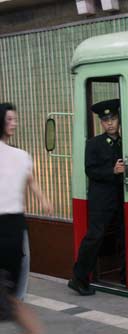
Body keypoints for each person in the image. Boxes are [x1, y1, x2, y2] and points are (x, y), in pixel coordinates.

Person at [0, 102, 53, 334]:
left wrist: (43, 199)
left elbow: (31, 181)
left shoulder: (21, 156)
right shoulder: (19, 156)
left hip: (14, 228)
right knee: (12, 301)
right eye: (9, 119)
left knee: (12, 300)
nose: (14, 123)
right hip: (11, 228)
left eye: (14, 119)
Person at [68, 99, 126, 296]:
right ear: (101, 123)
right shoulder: (94, 144)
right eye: (105, 120)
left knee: (125, 236)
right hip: (101, 199)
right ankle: (79, 278)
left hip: (122, 197)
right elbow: (90, 170)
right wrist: (113, 171)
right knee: (94, 237)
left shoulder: (125, 143)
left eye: (113, 118)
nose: (109, 123)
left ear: (119, 120)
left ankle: (126, 276)